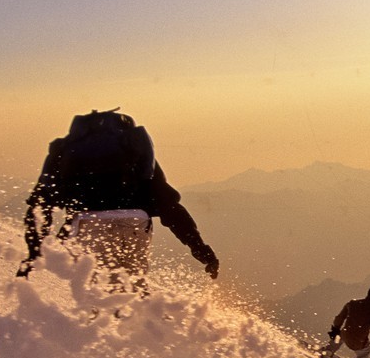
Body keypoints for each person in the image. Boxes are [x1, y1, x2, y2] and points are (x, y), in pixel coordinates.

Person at [18, 108, 219, 285]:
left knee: (98, 292)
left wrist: (33, 252)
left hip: (88, 225)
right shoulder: (136, 154)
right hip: (135, 223)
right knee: (132, 286)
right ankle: (145, 313)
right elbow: (169, 207)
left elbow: (40, 205)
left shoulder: (66, 152)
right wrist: (201, 250)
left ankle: (104, 314)